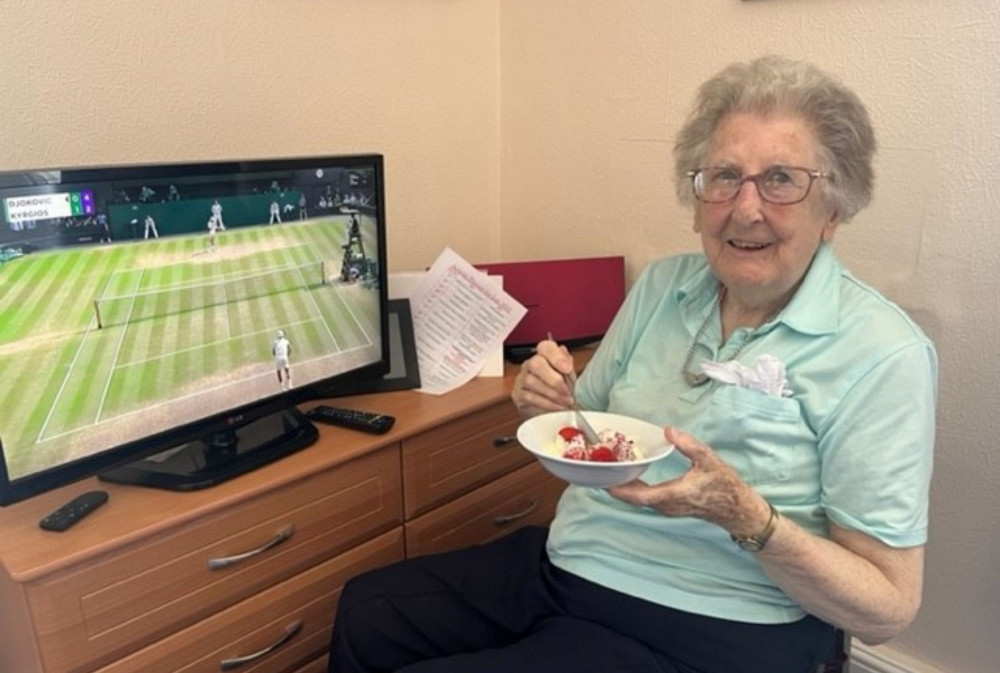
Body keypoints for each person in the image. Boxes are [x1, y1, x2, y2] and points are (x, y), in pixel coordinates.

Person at [326, 56, 938, 673]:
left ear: (833, 208)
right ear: (697, 201)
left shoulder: (882, 351)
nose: (745, 208)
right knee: (368, 608)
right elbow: (591, 433)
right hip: (571, 563)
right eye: (723, 177)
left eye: (781, 179)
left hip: (710, 620)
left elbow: (886, 609)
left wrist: (747, 516)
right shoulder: (663, 287)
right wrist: (553, 405)